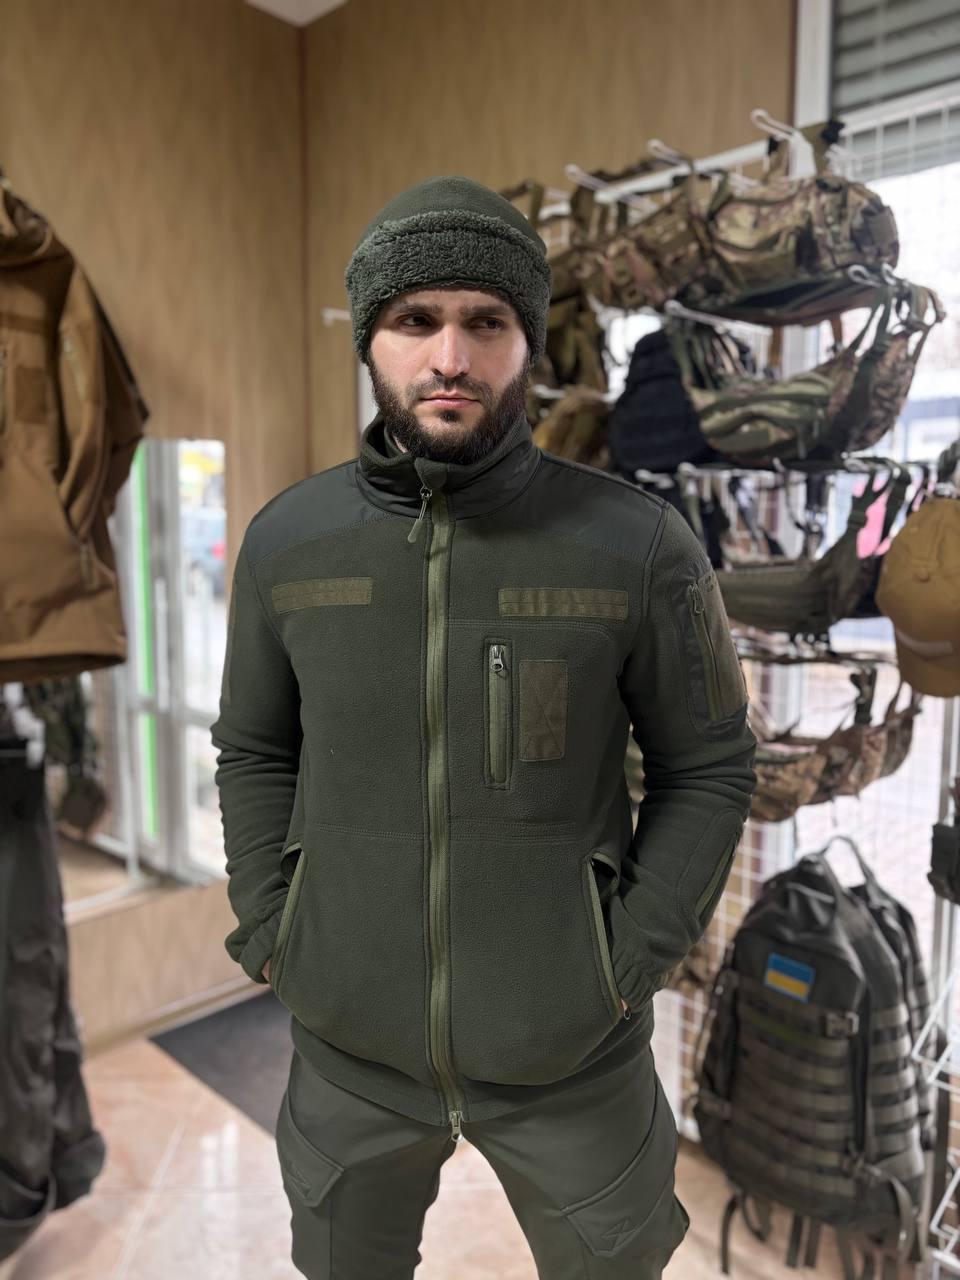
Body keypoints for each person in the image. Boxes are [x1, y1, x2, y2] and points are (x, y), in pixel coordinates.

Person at [210, 174, 757, 1279]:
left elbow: (710, 763)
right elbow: (255, 748)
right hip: (350, 1054)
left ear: (527, 343)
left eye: (486, 321)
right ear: (370, 340)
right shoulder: (286, 544)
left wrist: (630, 957)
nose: (450, 356)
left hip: (576, 1059)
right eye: (416, 320)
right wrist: (274, 924)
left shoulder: (639, 544)